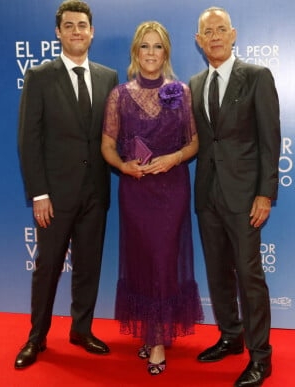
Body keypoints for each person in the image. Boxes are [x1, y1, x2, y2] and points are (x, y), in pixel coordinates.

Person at [15, 0, 118, 369]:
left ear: (92, 32)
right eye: (69, 25)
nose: (77, 31)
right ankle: (37, 337)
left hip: (96, 192)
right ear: (58, 33)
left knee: (89, 266)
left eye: (83, 25)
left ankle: (82, 329)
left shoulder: (109, 77)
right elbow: (30, 139)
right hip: (54, 196)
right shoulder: (40, 77)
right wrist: (39, 193)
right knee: (48, 267)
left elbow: (113, 135)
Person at [101, 21, 203, 376]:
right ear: (135, 52)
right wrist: (124, 167)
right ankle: (149, 330)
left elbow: (194, 142)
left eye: (157, 47)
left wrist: (173, 158)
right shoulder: (119, 95)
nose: (151, 53)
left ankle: (158, 341)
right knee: (142, 260)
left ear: (166, 53)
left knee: (163, 260)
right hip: (136, 190)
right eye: (144, 46)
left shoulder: (181, 92)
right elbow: (107, 147)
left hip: (172, 189)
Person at [189, 6, 281, 387]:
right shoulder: (194, 84)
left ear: (233, 34)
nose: (214, 36)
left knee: (249, 275)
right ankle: (230, 336)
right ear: (199, 41)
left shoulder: (257, 77)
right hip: (207, 194)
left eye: (220, 29)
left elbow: (269, 141)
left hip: (245, 197)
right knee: (217, 273)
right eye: (207, 32)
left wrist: (265, 193)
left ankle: (261, 357)